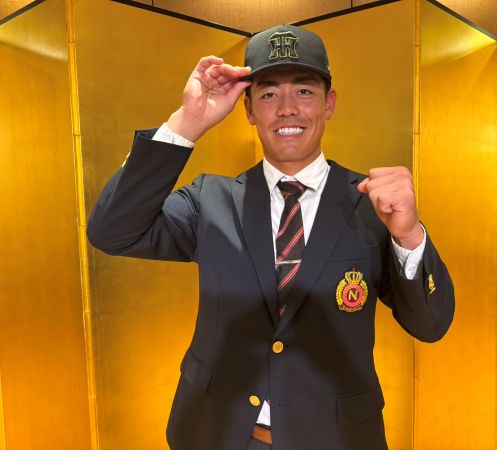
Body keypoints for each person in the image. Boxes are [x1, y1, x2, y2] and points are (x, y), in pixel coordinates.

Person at [87, 24, 454, 450]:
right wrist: (186, 123)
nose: (287, 109)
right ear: (248, 110)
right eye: (268, 94)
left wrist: (408, 235)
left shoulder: (371, 205)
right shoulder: (211, 200)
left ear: (329, 103)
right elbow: (112, 231)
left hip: (336, 438)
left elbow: (430, 325)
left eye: (304, 91)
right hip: (219, 435)